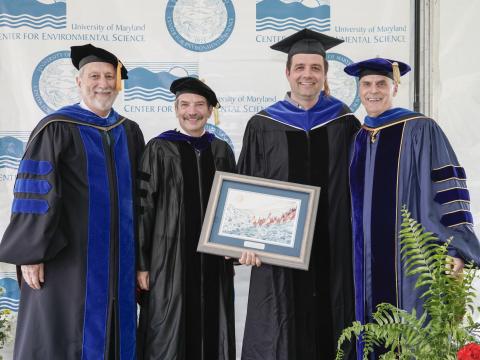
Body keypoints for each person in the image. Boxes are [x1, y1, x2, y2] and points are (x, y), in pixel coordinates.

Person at [0, 44, 145, 360]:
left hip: (118, 261)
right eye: (95, 76)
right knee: (63, 336)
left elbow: (142, 201)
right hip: (69, 261)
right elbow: (36, 195)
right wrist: (31, 253)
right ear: (79, 82)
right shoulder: (56, 128)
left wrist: (141, 260)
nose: (103, 84)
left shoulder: (129, 131)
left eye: (110, 77)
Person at [344, 57, 480, 358]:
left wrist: (455, 250)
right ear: (359, 90)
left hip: (412, 261)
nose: (373, 91)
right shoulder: (358, 139)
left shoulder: (421, 129)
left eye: (381, 84)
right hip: (366, 262)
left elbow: (449, 187)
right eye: (366, 84)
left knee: (415, 335)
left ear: (394, 88)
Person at [238, 29, 360, 360]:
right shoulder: (262, 124)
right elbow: (246, 190)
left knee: (334, 328)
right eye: (301, 67)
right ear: (288, 72)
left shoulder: (345, 122)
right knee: (280, 330)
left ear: (324, 73)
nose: (308, 74)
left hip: (333, 249)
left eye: (315, 68)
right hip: (279, 255)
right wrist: (246, 242)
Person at [136, 77, 236, 360]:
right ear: (176, 108)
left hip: (213, 263)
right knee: (167, 334)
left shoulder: (221, 150)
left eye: (199, 105)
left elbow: (235, 207)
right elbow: (143, 209)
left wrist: (236, 246)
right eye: (185, 105)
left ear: (210, 110)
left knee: (212, 331)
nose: (191, 111)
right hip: (168, 261)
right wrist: (142, 265)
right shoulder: (158, 149)